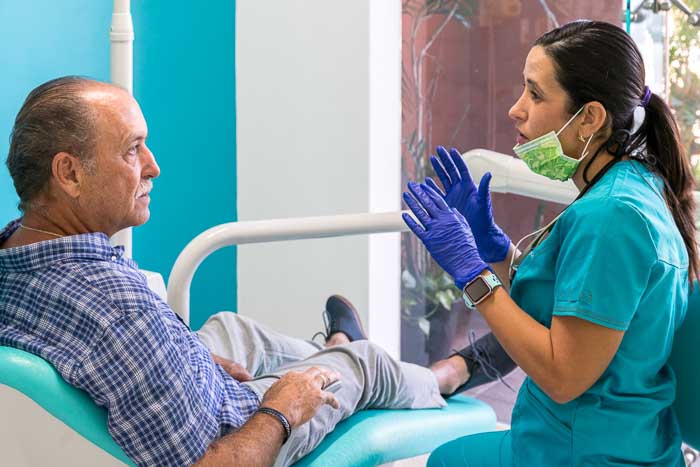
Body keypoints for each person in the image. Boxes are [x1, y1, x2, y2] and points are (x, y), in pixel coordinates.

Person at [0, 76, 474, 467]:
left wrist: (185, 357)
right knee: (361, 365)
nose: (154, 167)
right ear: (69, 174)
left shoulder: (16, 255)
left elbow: (118, 355)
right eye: (132, 149)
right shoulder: (118, 306)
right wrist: (285, 407)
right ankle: (441, 376)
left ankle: (332, 345)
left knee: (233, 328)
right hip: (241, 432)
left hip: (162, 391)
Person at [403, 20, 696, 466]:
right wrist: (494, 250)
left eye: (536, 94)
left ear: (590, 119)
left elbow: (563, 375)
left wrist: (473, 275)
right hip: (607, 439)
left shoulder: (613, 216)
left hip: (583, 453)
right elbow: (573, 305)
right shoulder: (631, 186)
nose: (515, 110)